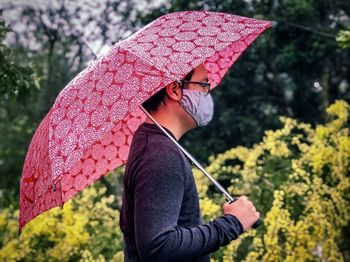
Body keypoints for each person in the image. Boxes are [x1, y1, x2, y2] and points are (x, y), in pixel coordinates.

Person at [120, 64, 260, 262]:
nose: (207, 92)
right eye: (203, 84)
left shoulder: (156, 144)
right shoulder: (160, 155)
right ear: (174, 90)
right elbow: (158, 246)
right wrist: (232, 224)